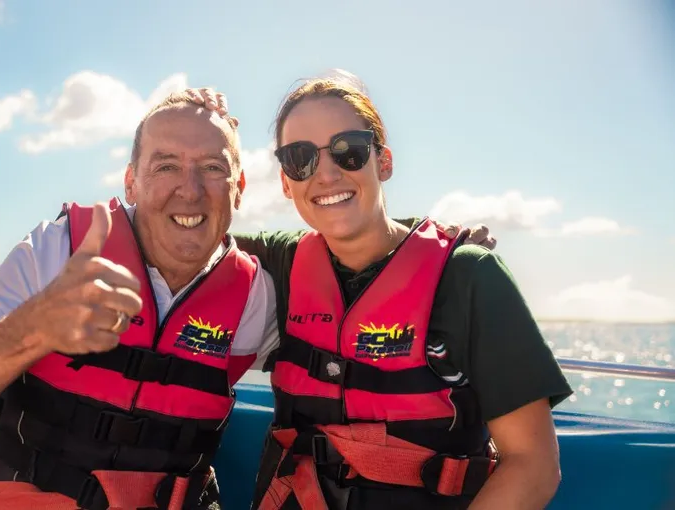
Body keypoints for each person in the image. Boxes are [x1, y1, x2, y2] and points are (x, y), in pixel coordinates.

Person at [0, 89, 497, 510]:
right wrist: (33, 327)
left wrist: (441, 253)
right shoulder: (58, 252)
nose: (190, 189)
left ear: (239, 187)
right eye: (166, 165)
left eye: (211, 167)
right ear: (130, 182)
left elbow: (364, 263)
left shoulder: (260, 292)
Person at [186, 75, 572, 510]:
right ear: (285, 182)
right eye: (300, 158)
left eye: (349, 150)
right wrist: (186, 114)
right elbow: (173, 235)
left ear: (383, 162)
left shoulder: (469, 276)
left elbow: (534, 464)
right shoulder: (279, 264)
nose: (327, 173)